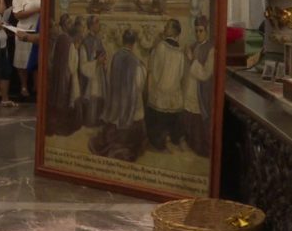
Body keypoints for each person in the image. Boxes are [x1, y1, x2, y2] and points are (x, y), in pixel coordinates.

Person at [88, 29, 146, 162]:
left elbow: (109, 77)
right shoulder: (136, 61)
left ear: (123, 41)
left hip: (116, 105)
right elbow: (139, 85)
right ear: (133, 44)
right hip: (130, 108)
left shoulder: (115, 57)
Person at [146, 19, 186, 152]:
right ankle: (171, 139)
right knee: (171, 115)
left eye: (168, 26)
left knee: (158, 116)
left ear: (174, 30)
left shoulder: (161, 46)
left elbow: (155, 68)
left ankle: (159, 142)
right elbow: (180, 73)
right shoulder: (180, 51)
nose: (164, 27)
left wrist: (157, 85)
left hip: (161, 88)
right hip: (174, 89)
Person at [45, 14, 81, 136]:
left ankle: (56, 125)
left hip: (57, 73)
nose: (71, 25)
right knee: (65, 98)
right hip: (66, 76)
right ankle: (62, 126)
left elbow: (52, 57)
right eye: (69, 23)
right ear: (65, 25)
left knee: (57, 98)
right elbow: (73, 64)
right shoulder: (69, 41)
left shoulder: (59, 38)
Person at [183, 15, 214, 158]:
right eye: (196, 31)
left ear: (206, 31)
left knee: (199, 119)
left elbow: (206, 74)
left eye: (201, 31)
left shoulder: (211, 49)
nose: (198, 34)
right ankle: (190, 142)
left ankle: (201, 146)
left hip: (201, 89)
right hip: (190, 88)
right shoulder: (193, 46)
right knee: (189, 116)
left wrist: (192, 60)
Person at [12, 0, 41, 98]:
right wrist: (36, 10)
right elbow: (17, 15)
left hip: (38, 31)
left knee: (36, 61)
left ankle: (36, 86)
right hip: (24, 31)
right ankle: (24, 86)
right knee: (22, 61)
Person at [78, 15, 107, 127]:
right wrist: (96, 63)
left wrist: (104, 60)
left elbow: (102, 54)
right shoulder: (85, 42)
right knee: (92, 96)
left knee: (99, 96)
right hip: (90, 77)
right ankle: (89, 122)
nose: (99, 25)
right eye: (97, 22)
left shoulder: (98, 40)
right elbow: (83, 65)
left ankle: (97, 120)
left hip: (99, 75)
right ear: (91, 25)